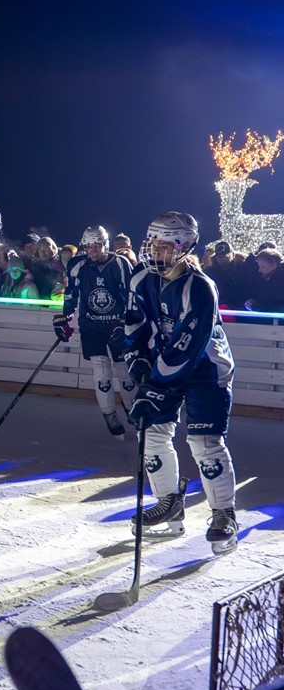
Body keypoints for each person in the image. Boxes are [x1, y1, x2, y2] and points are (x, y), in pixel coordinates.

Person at [124, 211, 239, 554]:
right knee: (153, 433)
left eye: (163, 245)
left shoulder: (200, 288)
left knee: (204, 442)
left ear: (185, 246)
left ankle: (223, 514)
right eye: (152, 243)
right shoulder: (142, 278)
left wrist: (154, 385)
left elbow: (185, 348)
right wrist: (138, 362)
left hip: (205, 370)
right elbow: (135, 324)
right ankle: (169, 501)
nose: (154, 251)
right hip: (166, 366)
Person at [54, 225, 135, 439]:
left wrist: (128, 322)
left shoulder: (120, 263)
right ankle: (109, 414)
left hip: (116, 325)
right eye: (89, 247)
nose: (93, 251)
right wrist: (64, 318)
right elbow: (71, 294)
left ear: (105, 244)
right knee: (101, 370)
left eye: (97, 246)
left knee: (124, 370)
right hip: (91, 325)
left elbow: (130, 296)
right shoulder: (77, 265)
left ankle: (133, 411)